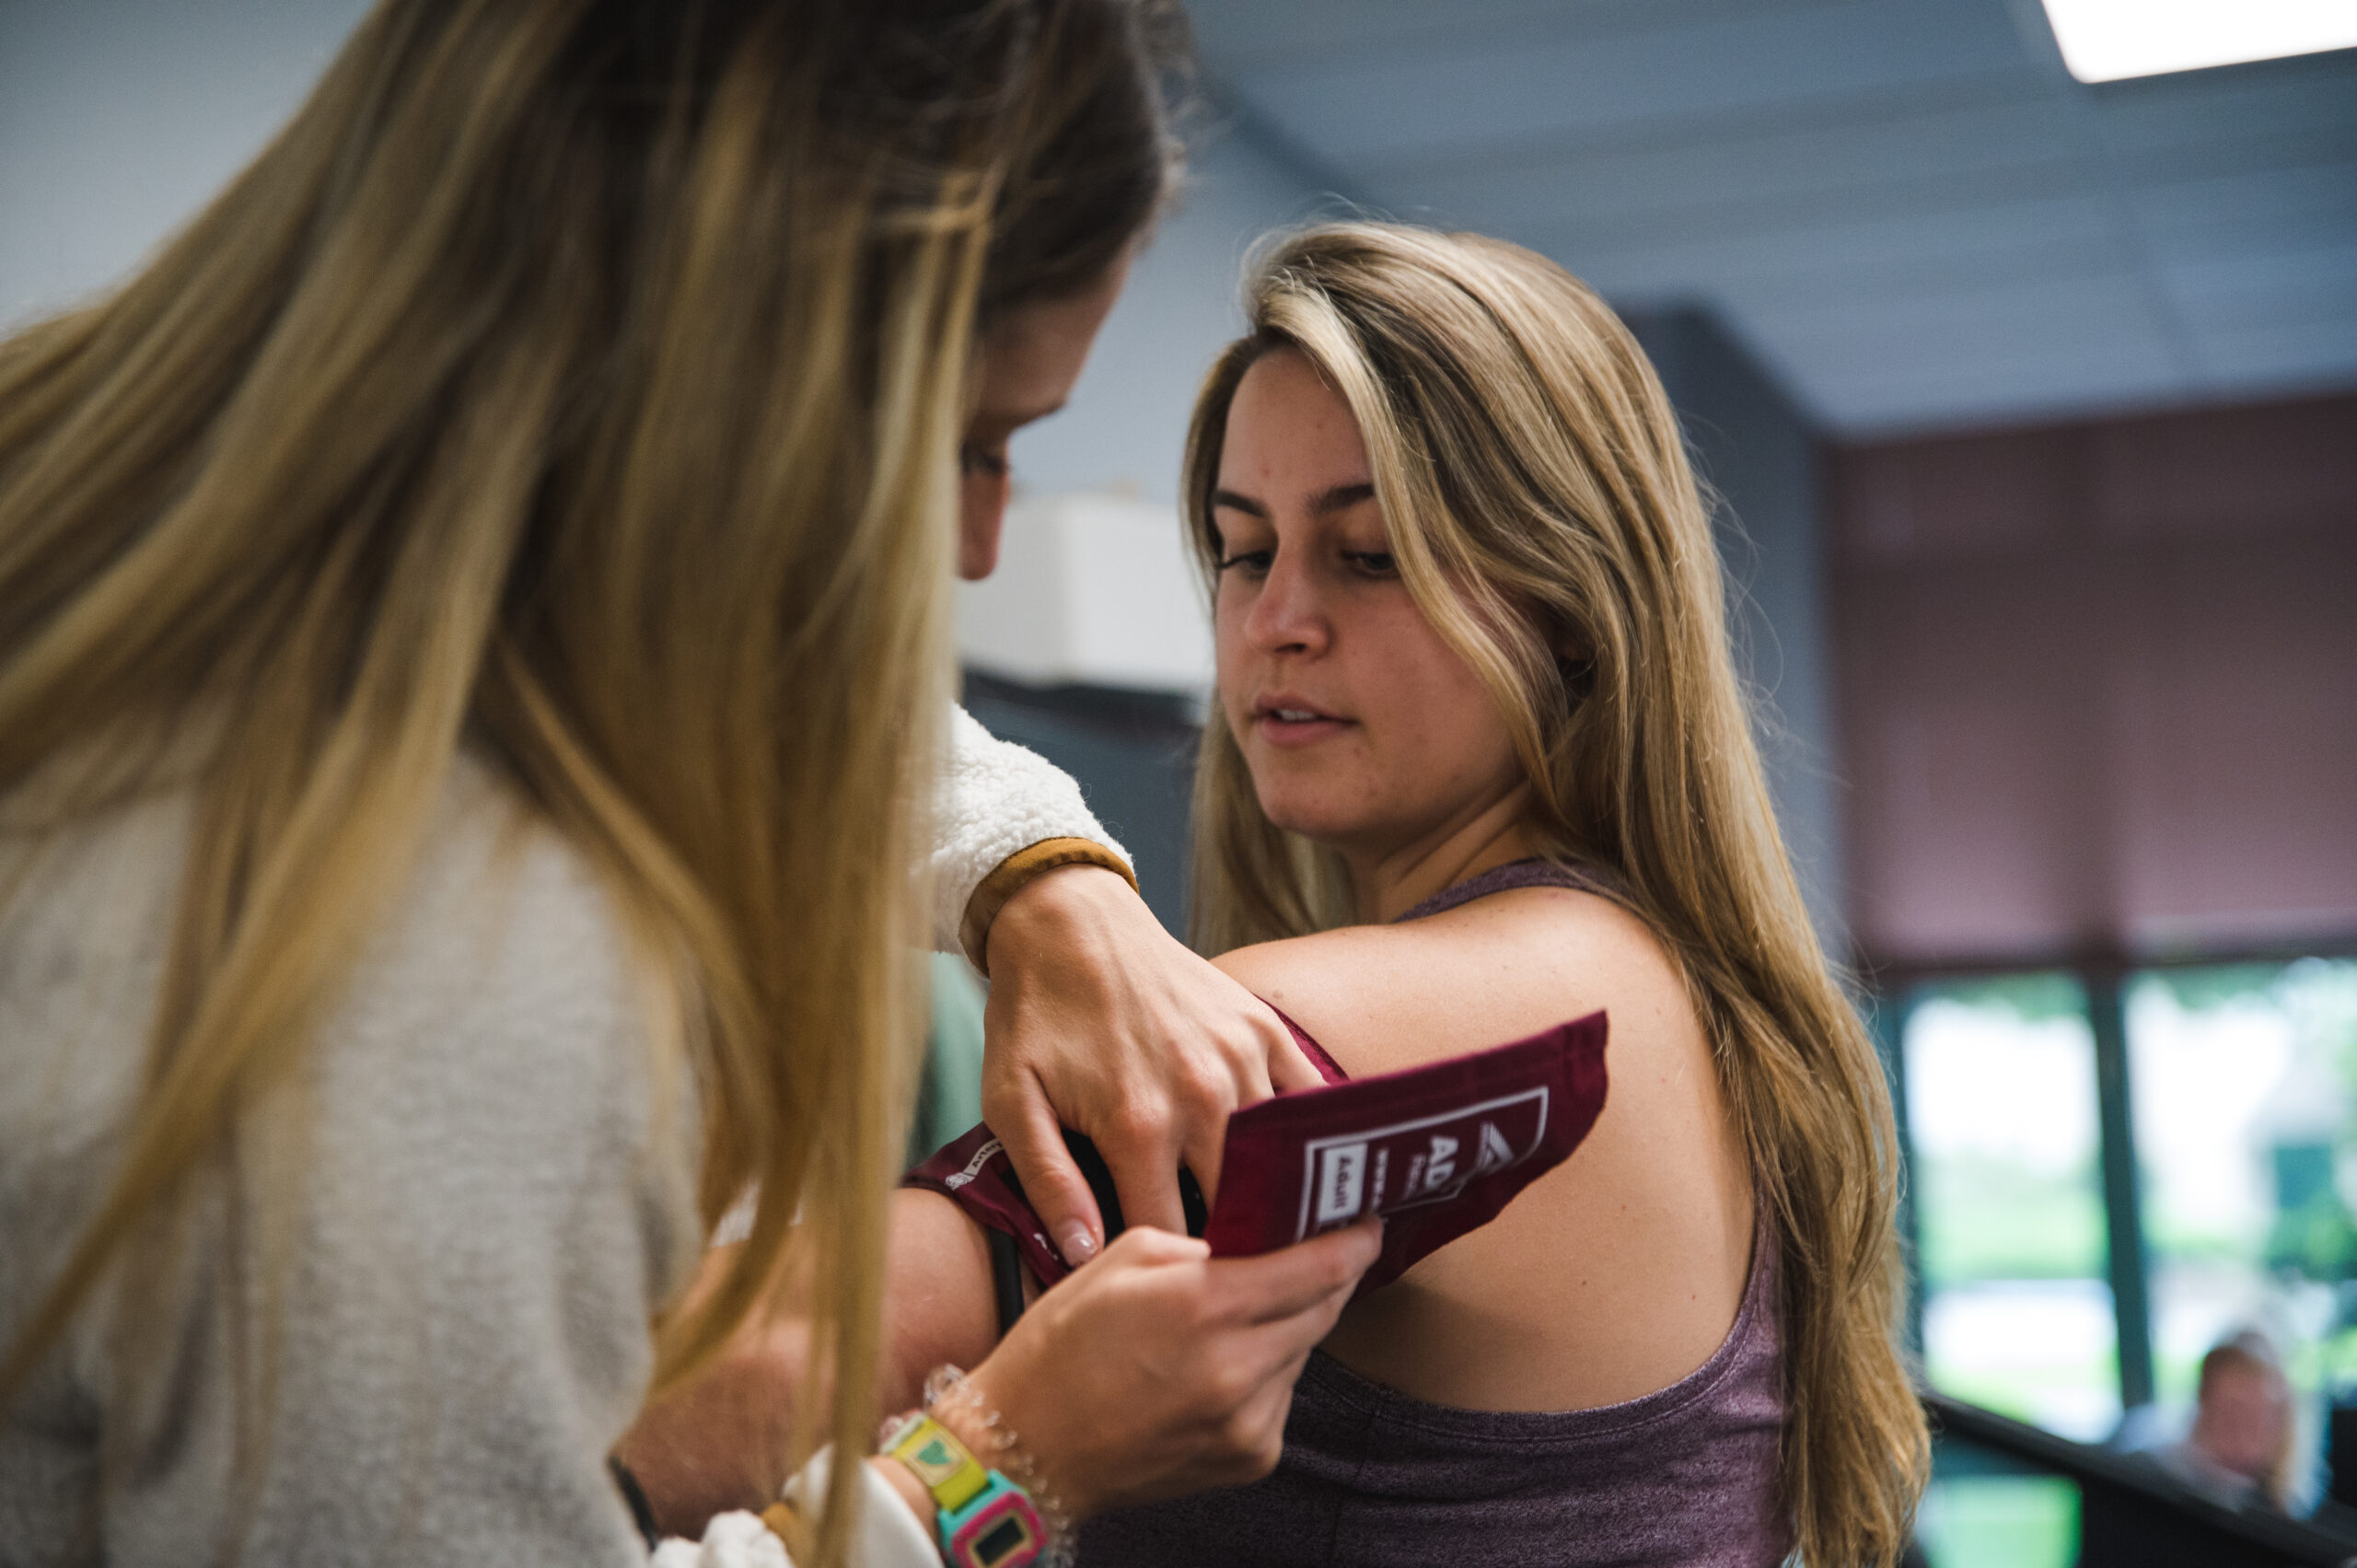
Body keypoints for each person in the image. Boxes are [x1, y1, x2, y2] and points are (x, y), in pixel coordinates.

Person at [0, 4, 1376, 1565]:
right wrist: (990, 1470)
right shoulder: (443, 961)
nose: (980, 546)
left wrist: (1035, 868)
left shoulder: (91, 527)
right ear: (736, 383)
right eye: (970, 441)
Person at [865, 223, 1932, 1567]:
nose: (1276, 619)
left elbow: (740, 1373)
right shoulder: (1662, 991)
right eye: (1243, 550)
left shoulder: (1376, 1021)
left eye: (1367, 554)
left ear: (1569, 605)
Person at [2152, 1330, 2300, 1514]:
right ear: (2204, 1405)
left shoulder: (2283, 1509)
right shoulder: (2155, 1480)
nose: (2242, 1432)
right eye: (2231, 1412)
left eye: (2256, 1417)